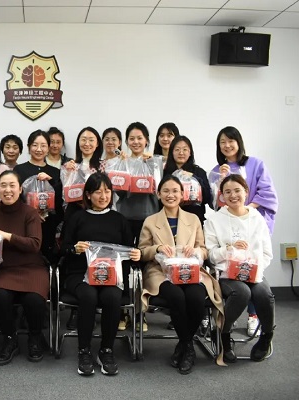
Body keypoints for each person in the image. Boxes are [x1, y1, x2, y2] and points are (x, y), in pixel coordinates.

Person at [138, 176, 224, 375]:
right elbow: (141, 252)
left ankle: (184, 345)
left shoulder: (193, 219)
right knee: (176, 296)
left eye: (175, 191)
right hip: (160, 272)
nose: (171, 195)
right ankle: (189, 347)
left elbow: (204, 250)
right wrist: (157, 248)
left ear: (182, 194)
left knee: (196, 297)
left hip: (189, 270)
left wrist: (196, 251)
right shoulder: (151, 221)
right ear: (158, 194)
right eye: (166, 191)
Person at [61, 172, 140, 376]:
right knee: (88, 296)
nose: (103, 196)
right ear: (88, 195)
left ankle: (106, 350)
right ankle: (84, 350)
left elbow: (129, 251)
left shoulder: (119, 220)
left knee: (112, 297)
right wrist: (74, 249)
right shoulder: (77, 218)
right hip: (80, 274)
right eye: (97, 192)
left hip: (112, 276)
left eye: (107, 191)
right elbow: (62, 248)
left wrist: (136, 254)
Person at [211, 126, 278, 336]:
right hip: (228, 226)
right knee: (239, 286)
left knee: (254, 274)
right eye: (222, 142)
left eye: (231, 140)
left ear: (239, 142)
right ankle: (226, 325)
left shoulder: (255, 164)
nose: (227, 145)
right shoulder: (216, 170)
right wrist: (220, 181)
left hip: (251, 221)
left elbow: (267, 193)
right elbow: (215, 201)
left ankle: (253, 317)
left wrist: (247, 211)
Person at [204, 175, 275, 363]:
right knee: (242, 292)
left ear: (246, 192)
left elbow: (267, 253)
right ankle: (224, 335)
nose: (233, 195)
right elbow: (210, 255)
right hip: (227, 274)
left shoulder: (257, 218)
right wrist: (229, 249)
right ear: (222, 195)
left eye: (237, 190)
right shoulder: (214, 220)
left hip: (255, 273)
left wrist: (254, 268)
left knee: (264, 294)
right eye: (227, 192)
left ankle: (266, 336)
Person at [0, 170, 50, 365]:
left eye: (12, 185)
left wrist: (4, 235)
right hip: (4, 269)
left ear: (20, 189)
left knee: (34, 299)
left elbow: (34, 244)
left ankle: (35, 337)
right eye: (3, 186)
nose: (8, 190)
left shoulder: (30, 212)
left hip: (32, 268)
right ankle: (9, 338)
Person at [115, 122, 160, 331]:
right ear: (126, 142)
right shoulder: (121, 162)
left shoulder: (154, 162)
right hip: (124, 217)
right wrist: (122, 168)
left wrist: (152, 166)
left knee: (144, 265)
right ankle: (123, 310)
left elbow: (160, 190)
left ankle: (141, 313)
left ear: (146, 141)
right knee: (124, 264)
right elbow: (118, 192)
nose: (135, 142)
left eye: (139, 138)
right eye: (131, 138)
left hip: (148, 219)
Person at [14, 130, 63, 263]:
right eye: (35, 145)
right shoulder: (19, 170)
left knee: (47, 259)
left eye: (43, 145)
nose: (39, 149)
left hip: (48, 224)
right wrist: (32, 214)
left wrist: (52, 181)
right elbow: (16, 198)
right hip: (25, 223)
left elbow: (60, 201)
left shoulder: (56, 172)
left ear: (48, 148)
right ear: (29, 147)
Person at [163, 136, 212, 224]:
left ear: (190, 153)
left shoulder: (199, 172)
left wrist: (194, 179)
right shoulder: (164, 172)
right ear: (172, 152)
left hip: (194, 220)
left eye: (185, 149)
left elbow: (207, 198)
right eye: (177, 149)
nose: (181, 152)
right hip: (169, 220)